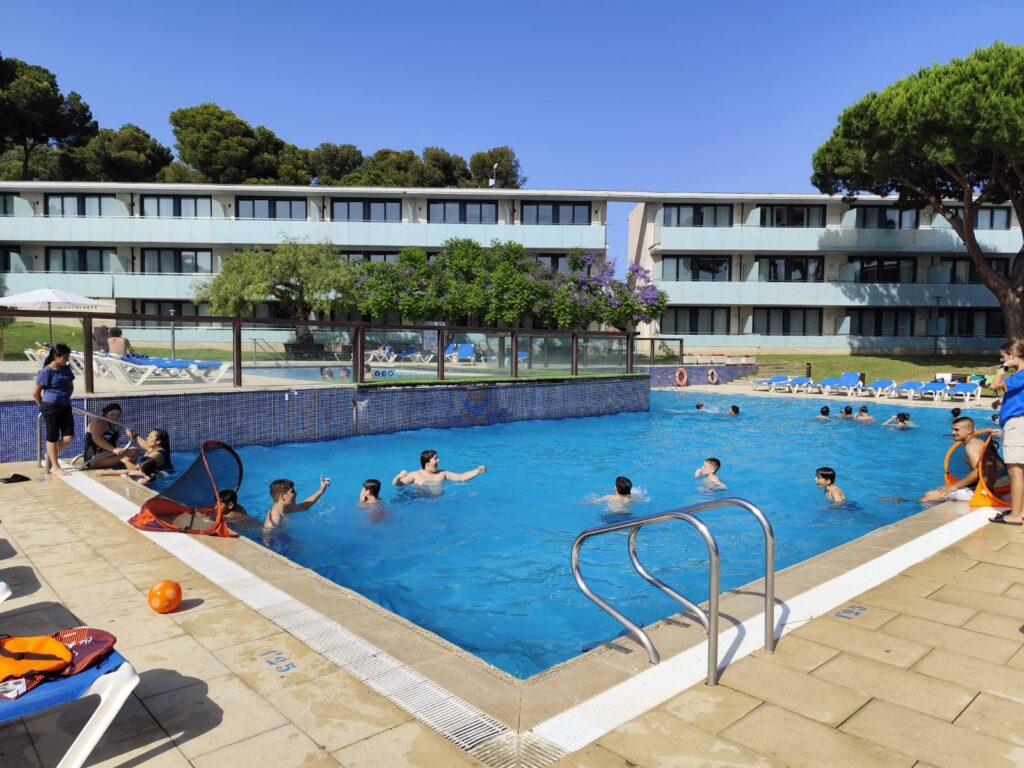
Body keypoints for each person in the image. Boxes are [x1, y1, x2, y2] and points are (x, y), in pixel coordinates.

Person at [919, 417, 1005, 504]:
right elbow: (1000, 466)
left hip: (979, 492)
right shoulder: (979, 442)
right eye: (952, 429)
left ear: (969, 430)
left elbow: (977, 472)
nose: (953, 433)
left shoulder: (971, 446)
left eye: (957, 430)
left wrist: (955, 486)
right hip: (986, 488)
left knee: (928, 495)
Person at [992, 340, 1024, 524]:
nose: (1001, 359)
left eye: (1003, 356)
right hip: (1020, 422)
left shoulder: (1020, 375)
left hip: (1017, 425)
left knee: (1015, 471)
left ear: (1013, 355)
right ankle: (1020, 511)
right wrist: (1002, 402)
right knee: (1022, 471)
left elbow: (994, 385)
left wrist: (1003, 368)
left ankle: (1015, 516)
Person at [33, 343, 75, 476]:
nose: (67, 360)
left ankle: (50, 455)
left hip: (65, 405)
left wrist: (65, 398)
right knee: (53, 436)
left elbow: (70, 386)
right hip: (50, 406)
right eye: (65, 357)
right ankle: (55, 467)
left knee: (68, 437)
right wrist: (42, 406)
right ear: (56, 356)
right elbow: (35, 393)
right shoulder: (46, 371)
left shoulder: (66, 369)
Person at [94, 428, 173, 485]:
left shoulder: (155, 455)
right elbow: (146, 445)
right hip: (162, 473)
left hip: (160, 477)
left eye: (150, 437)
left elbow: (133, 469)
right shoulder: (158, 449)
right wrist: (135, 436)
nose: (147, 438)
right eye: (148, 436)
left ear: (158, 441)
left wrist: (124, 459)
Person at [263, 475, 331, 533]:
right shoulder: (273, 522)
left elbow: (303, 506)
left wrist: (321, 490)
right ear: (283, 496)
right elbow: (267, 539)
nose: (296, 493)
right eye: (292, 491)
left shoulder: (284, 508)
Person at [83, 403, 138, 469]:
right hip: (94, 459)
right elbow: (96, 438)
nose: (115, 417)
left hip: (106, 455)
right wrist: (113, 449)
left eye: (118, 415)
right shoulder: (99, 421)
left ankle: (123, 469)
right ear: (106, 414)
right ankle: (125, 470)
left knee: (133, 450)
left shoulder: (113, 424)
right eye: (112, 414)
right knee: (133, 452)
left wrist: (130, 434)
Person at [392, 450, 486, 486]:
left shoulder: (443, 473)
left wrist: (477, 471)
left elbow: (461, 477)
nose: (438, 460)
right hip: (420, 503)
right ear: (427, 463)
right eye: (435, 459)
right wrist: (398, 477)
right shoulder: (416, 475)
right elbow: (397, 484)